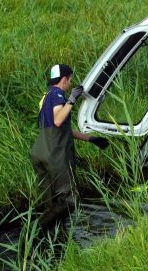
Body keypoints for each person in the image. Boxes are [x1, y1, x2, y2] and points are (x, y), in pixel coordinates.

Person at [31, 63, 109, 227]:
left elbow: (61, 128)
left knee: (51, 201)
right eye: (70, 80)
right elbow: (59, 121)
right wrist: (72, 99)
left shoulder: (46, 96)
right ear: (64, 79)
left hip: (40, 151)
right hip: (55, 154)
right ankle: (34, 229)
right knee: (70, 201)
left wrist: (91, 139)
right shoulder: (58, 94)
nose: (70, 84)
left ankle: (52, 240)